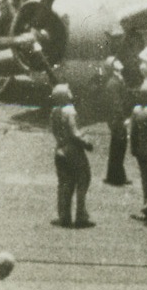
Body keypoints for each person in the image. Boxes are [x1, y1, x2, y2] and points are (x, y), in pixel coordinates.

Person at [50, 83, 93, 228]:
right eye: (68, 90)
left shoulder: (54, 111)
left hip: (60, 149)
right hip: (73, 151)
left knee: (64, 184)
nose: (70, 91)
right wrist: (86, 142)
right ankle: (81, 214)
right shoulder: (70, 110)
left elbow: (54, 130)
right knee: (83, 180)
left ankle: (64, 215)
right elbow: (75, 132)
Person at [101, 57, 131, 186]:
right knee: (119, 146)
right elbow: (116, 104)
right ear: (113, 67)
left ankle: (114, 176)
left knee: (117, 147)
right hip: (117, 119)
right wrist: (122, 118)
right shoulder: (113, 83)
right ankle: (117, 178)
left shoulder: (117, 80)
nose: (120, 61)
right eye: (116, 61)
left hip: (117, 119)